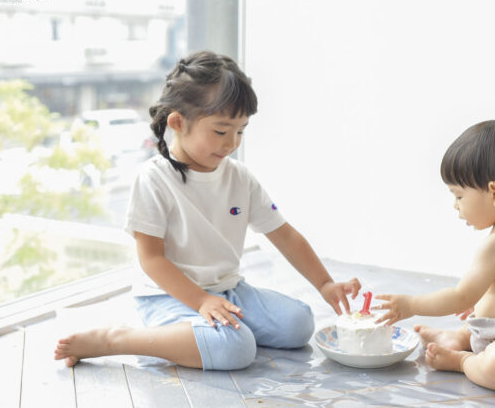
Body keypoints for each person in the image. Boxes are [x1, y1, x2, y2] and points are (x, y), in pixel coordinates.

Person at [54, 51, 361, 370]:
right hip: (167, 296)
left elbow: (284, 234)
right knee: (234, 349)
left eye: (240, 131)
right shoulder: (155, 179)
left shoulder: (240, 177)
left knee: (299, 324)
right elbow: (151, 259)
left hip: (228, 291)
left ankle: (207, 334)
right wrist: (200, 301)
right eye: (220, 131)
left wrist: (325, 284)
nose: (232, 143)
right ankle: (116, 339)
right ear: (177, 122)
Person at [375, 120, 495, 390]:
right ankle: (456, 338)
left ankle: (462, 360)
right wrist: (487, 297)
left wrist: (411, 304)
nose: (455, 206)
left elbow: (460, 297)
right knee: (477, 325)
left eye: (459, 196)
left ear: (494, 192)